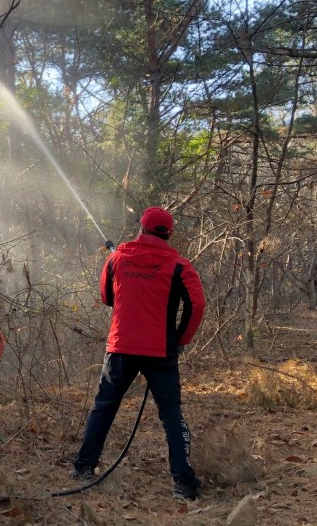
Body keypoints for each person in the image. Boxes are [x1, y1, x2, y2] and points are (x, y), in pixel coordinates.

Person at [71, 206, 206, 501]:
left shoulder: (117, 257)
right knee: (171, 414)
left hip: (121, 347)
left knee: (104, 406)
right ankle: (183, 483)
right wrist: (181, 339)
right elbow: (197, 305)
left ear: (141, 228)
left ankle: (83, 467)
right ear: (169, 234)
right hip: (161, 351)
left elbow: (107, 297)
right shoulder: (179, 265)